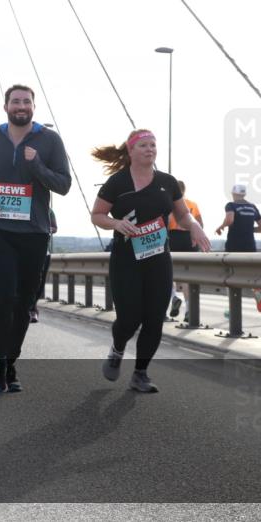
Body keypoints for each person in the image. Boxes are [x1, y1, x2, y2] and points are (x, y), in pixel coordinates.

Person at [0, 84, 72, 393]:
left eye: (26, 101)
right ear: (6, 106)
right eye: (15, 101)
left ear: (33, 107)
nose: (21, 106)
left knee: (25, 303)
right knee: (4, 296)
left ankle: (12, 360)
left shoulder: (49, 140)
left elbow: (63, 185)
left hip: (34, 232)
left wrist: (36, 164)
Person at [91, 130, 211, 393]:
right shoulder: (117, 182)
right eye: (144, 145)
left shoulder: (167, 182)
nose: (150, 149)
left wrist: (194, 227)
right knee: (129, 318)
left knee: (155, 318)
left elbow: (182, 216)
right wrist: (116, 223)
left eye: (153, 145)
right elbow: (97, 215)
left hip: (158, 259)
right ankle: (117, 348)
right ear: (130, 151)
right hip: (126, 260)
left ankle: (140, 374)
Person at [216, 183, 261, 313]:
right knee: (250, 274)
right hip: (250, 246)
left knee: (229, 276)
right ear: (244, 194)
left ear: (234, 194)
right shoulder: (252, 207)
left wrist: (221, 226)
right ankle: (257, 293)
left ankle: (232, 308)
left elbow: (230, 220)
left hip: (234, 246)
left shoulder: (231, 205)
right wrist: (248, 229)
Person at [166, 180, 202, 320]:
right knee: (188, 276)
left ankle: (174, 297)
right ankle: (189, 309)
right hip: (189, 239)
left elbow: (168, 222)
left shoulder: (170, 204)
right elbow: (199, 223)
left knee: (169, 273)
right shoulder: (192, 204)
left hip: (174, 238)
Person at [29, 208, 58, 323]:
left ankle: (33, 309)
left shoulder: (49, 211)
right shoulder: (24, 204)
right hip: (23, 250)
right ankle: (23, 308)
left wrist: (47, 228)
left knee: (39, 282)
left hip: (43, 251)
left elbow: (55, 228)